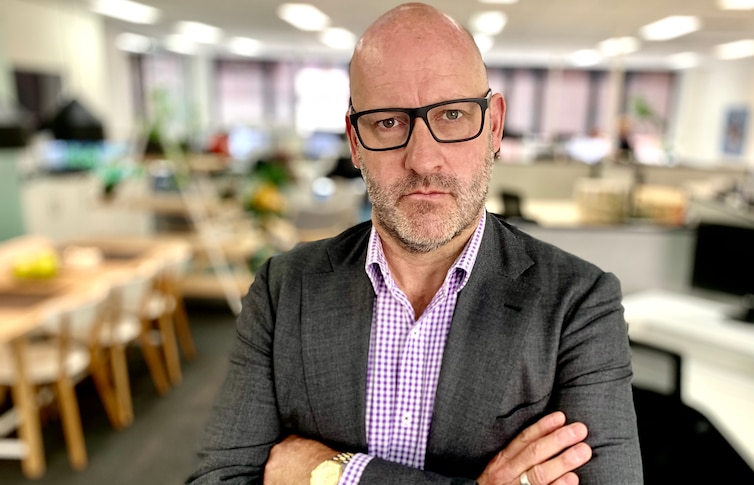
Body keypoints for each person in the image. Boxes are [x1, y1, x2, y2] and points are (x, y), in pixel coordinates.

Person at [187, 3, 643, 484]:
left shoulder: (579, 302)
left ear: (493, 125)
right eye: (388, 122)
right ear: (355, 141)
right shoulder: (284, 290)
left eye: (451, 114)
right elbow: (218, 479)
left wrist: (333, 474)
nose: (424, 159)